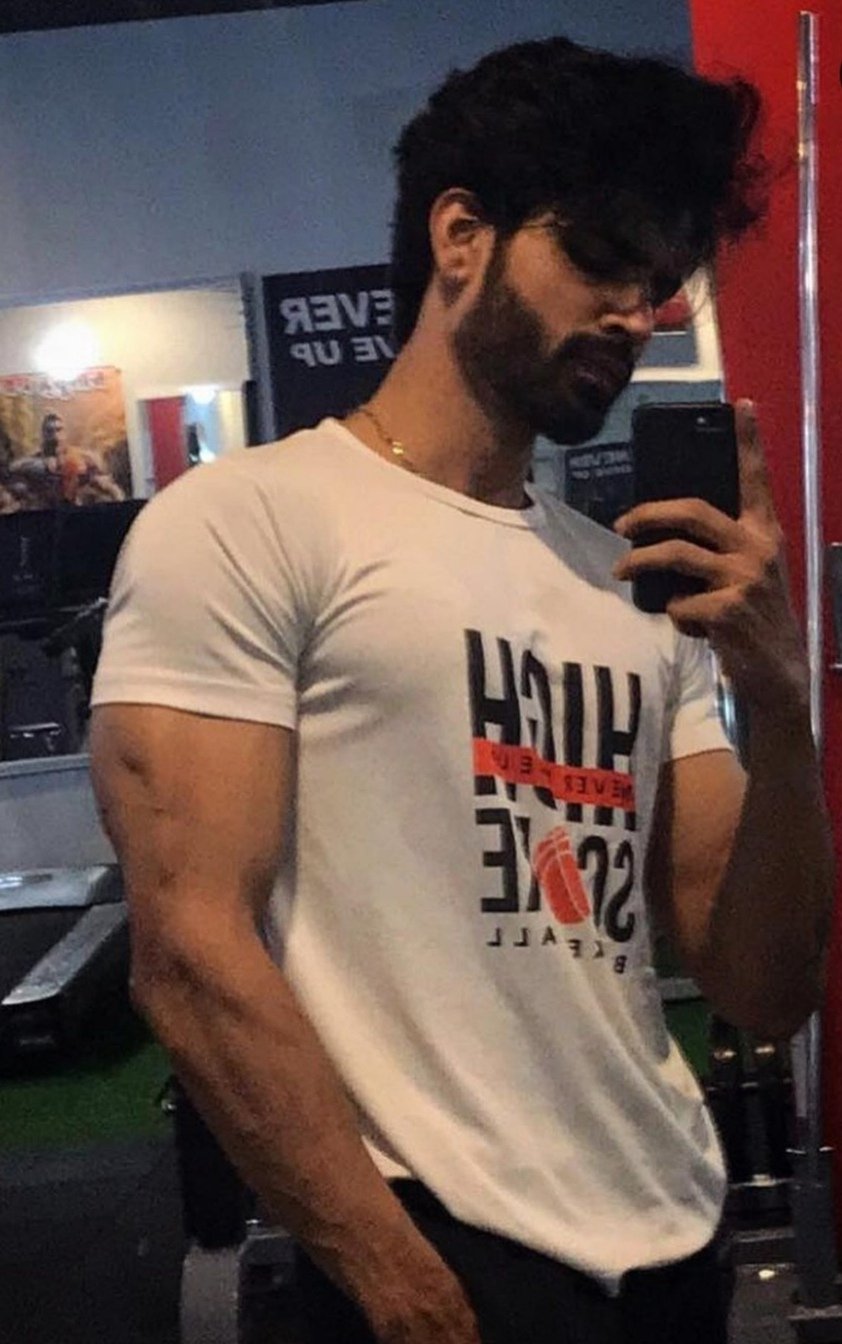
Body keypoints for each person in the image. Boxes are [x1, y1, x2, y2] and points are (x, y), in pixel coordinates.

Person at [89, 35, 833, 1344]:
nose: (634, 312)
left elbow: (762, 985)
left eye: (657, 283)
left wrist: (779, 708)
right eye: (598, 257)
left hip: (670, 1242)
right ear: (459, 235)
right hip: (429, 1258)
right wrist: (395, 1281)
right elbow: (190, 952)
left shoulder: (624, 582)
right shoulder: (250, 524)